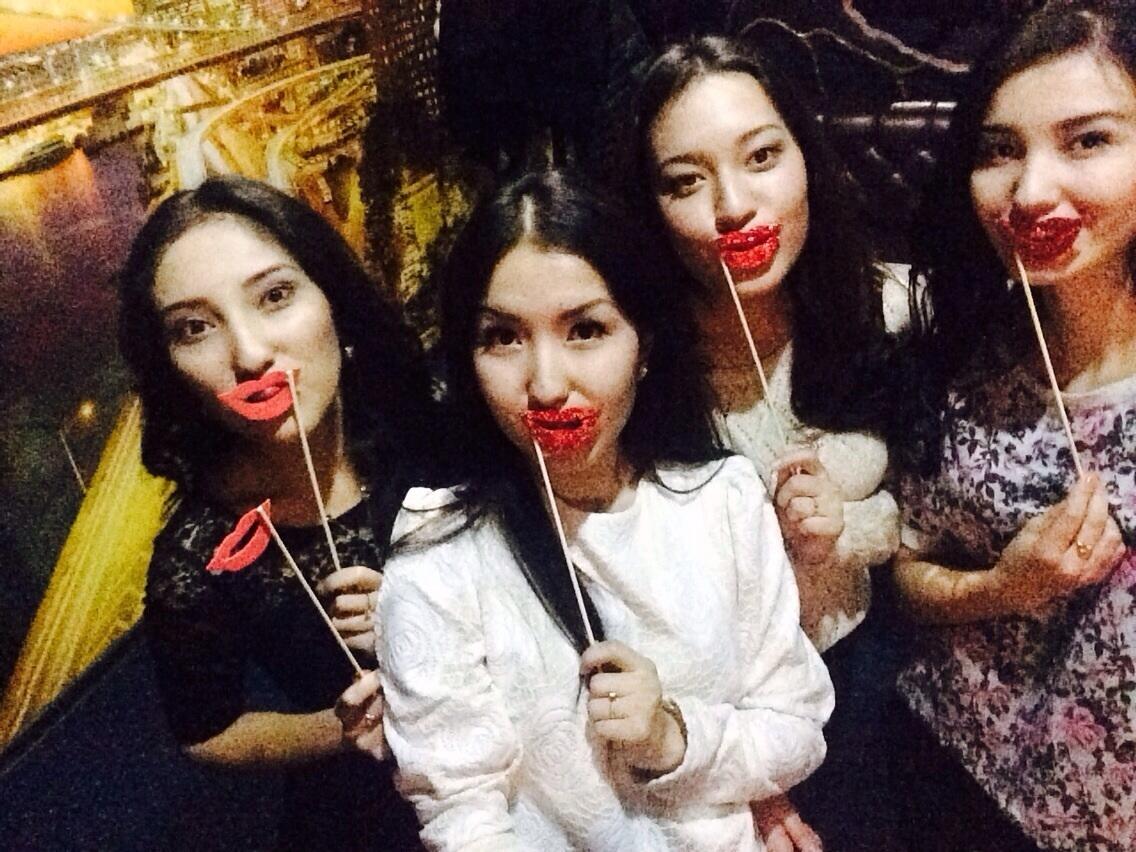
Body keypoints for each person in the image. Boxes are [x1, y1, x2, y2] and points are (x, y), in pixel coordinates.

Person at [369, 169, 833, 850]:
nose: (546, 385)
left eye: (585, 329)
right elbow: (464, 817)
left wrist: (671, 736)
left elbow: (794, 729)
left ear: (644, 345)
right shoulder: (439, 557)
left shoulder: (724, 501)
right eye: (503, 337)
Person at [637, 35, 903, 850]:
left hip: (874, 675)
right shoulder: (638, 365)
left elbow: (932, 519)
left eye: (761, 157)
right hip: (720, 710)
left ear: (805, 156)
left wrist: (843, 530)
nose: (732, 205)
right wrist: (746, 777)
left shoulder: (888, 309)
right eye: (686, 180)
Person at [118, 176, 433, 850]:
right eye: (194, 328)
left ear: (332, 298)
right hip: (368, 821)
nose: (250, 354)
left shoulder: (433, 436)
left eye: (275, 296)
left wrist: (425, 619)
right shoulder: (198, 556)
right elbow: (205, 733)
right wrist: (340, 728)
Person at [889, 3, 1136, 850]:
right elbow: (906, 572)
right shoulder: (958, 360)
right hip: (955, 781)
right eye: (999, 150)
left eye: (1087, 140)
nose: (1029, 191)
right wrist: (1006, 585)